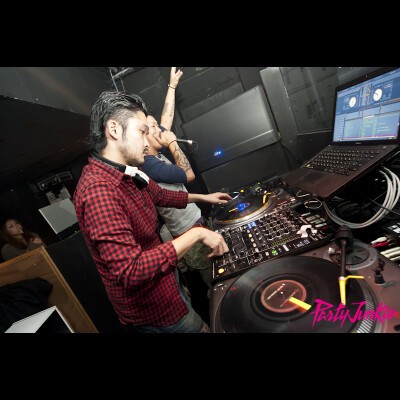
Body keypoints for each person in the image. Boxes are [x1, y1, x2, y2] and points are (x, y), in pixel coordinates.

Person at [73, 90, 231, 333]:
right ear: (114, 129)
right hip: (154, 309)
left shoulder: (129, 172)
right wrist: (196, 233)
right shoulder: (98, 191)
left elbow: (161, 196)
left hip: (167, 284)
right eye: (141, 132)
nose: (147, 143)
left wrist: (204, 197)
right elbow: (131, 271)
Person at [142, 67, 213, 288]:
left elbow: (167, 117)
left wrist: (172, 86)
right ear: (144, 137)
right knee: (215, 280)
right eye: (153, 127)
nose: (160, 129)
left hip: (195, 222)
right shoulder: (149, 165)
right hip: (187, 232)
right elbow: (189, 175)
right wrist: (172, 143)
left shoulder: (155, 153)